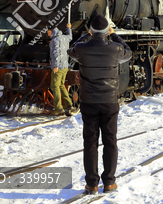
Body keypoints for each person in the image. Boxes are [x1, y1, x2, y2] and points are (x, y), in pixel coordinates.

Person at [67, 15, 132, 195]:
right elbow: (129, 52)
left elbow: (71, 49)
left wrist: (86, 36)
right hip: (109, 101)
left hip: (89, 102)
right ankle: (109, 183)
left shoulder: (81, 48)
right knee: (110, 141)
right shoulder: (115, 48)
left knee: (90, 143)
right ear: (106, 31)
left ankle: (92, 184)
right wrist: (115, 35)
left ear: (91, 30)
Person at [48, 23, 74, 116]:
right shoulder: (63, 37)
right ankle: (68, 104)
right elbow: (70, 37)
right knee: (62, 85)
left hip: (58, 67)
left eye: (48, 32)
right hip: (65, 66)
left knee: (55, 87)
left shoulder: (54, 41)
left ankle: (58, 108)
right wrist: (68, 28)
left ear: (52, 31)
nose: (48, 34)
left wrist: (55, 66)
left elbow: (56, 54)